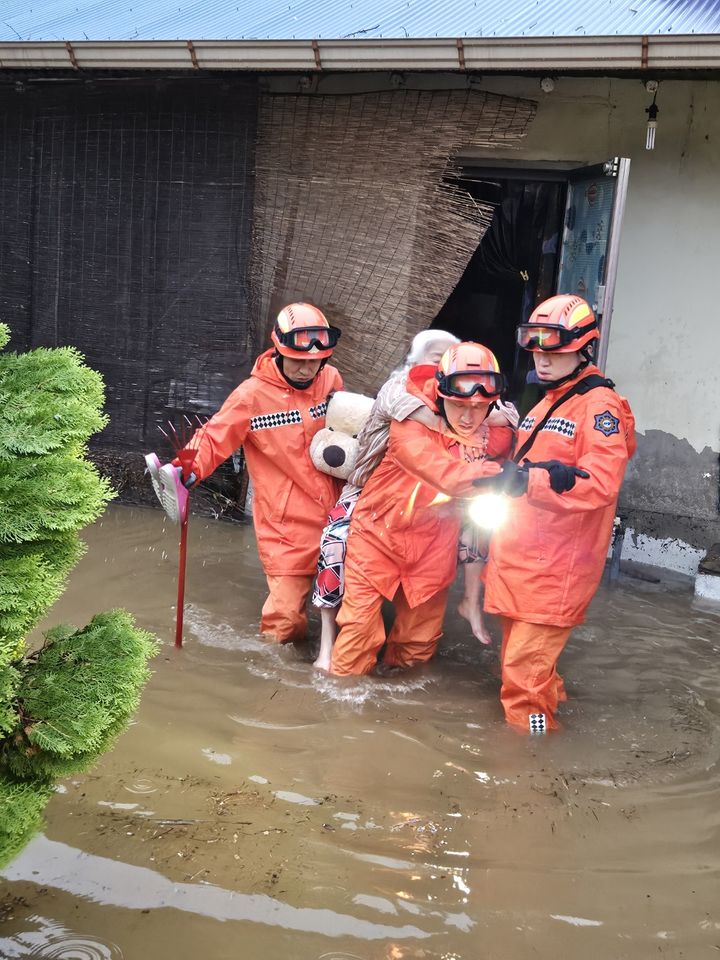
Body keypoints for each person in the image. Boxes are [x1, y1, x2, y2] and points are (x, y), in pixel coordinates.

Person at [312, 331, 517, 670]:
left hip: (435, 541)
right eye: (460, 405)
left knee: (418, 647)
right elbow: (433, 467)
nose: (468, 417)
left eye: (479, 408)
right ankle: (332, 671)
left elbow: (512, 432)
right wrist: (495, 477)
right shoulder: (407, 415)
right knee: (356, 640)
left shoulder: (496, 428)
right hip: (378, 533)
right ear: (440, 392)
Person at [483, 294, 636, 734]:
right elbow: (526, 461)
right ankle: (547, 733)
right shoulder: (550, 400)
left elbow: (600, 483)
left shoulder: (598, 406)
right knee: (526, 671)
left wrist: (530, 481)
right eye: (536, 348)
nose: (543, 359)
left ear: (583, 348)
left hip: (554, 570)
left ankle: (533, 760)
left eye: (556, 350)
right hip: (523, 562)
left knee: (523, 686)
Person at [153, 302, 344, 644]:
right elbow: (214, 435)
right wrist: (186, 468)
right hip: (286, 524)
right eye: (299, 362)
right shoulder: (251, 396)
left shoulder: (330, 380)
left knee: (354, 610)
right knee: (284, 621)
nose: (306, 370)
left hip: (338, 515)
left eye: (314, 362)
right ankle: (276, 677)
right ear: (279, 351)